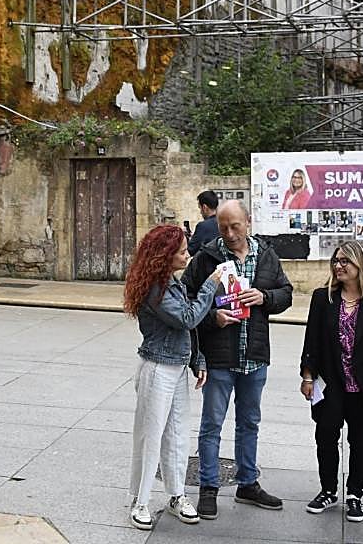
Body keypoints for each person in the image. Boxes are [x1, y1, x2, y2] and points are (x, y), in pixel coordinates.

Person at [182, 199, 293, 520]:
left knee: (249, 423)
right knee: (211, 425)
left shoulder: (267, 255)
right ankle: (208, 487)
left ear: (248, 221)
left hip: (255, 357)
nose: (229, 234)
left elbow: (286, 293)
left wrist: (264, 297)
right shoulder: (206, 258)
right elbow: (186, 304)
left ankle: (247, 483)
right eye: (223, 227)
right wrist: (212, 317)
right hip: (220, 358)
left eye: (235, 226)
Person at [124, 225, 225, 531]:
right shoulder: (156, 288)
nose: (187, 255)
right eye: (182, 251)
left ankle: (176, 494)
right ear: (165, 255)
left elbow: (186, 328)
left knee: (177, 436)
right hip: (157, 367)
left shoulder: (172, 283)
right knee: (150, 436)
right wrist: (210, 286)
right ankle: (139, 501)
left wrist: (198, 359)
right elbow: (187, 318)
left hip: (177, 366)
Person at [299, 241, 363, 523]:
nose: (338, 266)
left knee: (360, 440)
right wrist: (307, 375)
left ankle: (355, 494)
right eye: (336, 260)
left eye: (345, 261)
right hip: (331, 383)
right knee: (325, 437)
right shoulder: (323, 298)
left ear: (361, 266)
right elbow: (312, 342)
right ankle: (328, 490)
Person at [187, 191, 220, 256]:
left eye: (200, 208)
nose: (200, 212)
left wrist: (184, 238)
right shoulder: (224, 222)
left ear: (204, 207)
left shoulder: (203, 226)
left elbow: (191, 250)